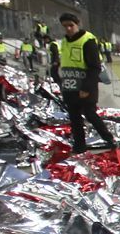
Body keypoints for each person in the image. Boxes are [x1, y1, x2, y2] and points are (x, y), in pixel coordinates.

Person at [50, 12, 116, 153]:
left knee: (90, 114)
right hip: (69, 87)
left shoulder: (88, 40)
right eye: (65, 26)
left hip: (85, 86)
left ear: (77, 24)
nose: (68, 28)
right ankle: (80, 146)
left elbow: (95, 67)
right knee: (74, 118)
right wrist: (58, 79)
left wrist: (86, 87)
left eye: (71, 25)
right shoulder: (65, 42)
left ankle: (109, 140)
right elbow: (64, 63)